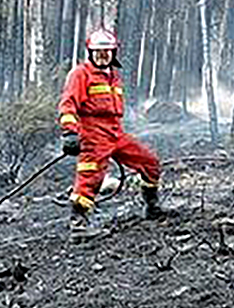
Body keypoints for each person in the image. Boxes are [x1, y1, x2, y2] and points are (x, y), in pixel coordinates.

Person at [58, 27, 164, 239]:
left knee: (150, 162)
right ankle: (79, 227)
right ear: (91, 53)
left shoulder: (112, 76)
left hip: (115, 133)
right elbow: (68, 104)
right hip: (92, 136)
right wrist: (70, 132)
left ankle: (152, 207)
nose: (103, 55)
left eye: (107, 51)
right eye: (99, 52)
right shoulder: (81, 74)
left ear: (113, 53)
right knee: (90, 177)